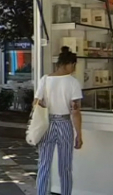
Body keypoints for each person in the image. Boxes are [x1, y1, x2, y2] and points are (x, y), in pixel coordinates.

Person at [35, 46, 83, 195]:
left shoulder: (45, 79)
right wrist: (79, 134)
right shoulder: (73, 82)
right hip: (64, 123)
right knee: (65, 166)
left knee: (44, 164)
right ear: (70, 64)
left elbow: (35, 103)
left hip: (47, 123)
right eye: (74, 65)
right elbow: (75, 111)